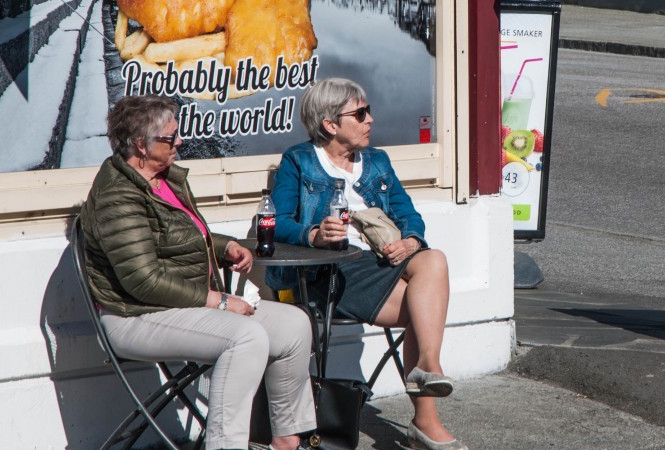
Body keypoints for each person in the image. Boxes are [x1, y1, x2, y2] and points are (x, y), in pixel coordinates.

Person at [79, 95, 315, 450]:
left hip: (183, 304)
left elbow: (179, 235)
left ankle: (286, 440)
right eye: (171, 137)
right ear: (141, 144)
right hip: (136, 315)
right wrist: (221, 302)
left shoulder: (163, 179)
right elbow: (143, 281)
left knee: (294, 325)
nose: (181, 141)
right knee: (246, 337)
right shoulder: (117, 196)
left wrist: (224, 246)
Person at [265, 78, 467, 450]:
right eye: (360, 114)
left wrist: (410, 240)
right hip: (331, 271)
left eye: (368, 111)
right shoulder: (300, 160)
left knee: (432, 258)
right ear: (330, 124)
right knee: (422, 310)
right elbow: (275, 222)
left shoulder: (376, 161)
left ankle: (428, 365)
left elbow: (408, 214)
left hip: (381, 260)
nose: (370, 119)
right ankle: (426, 419)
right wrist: (314, 234)